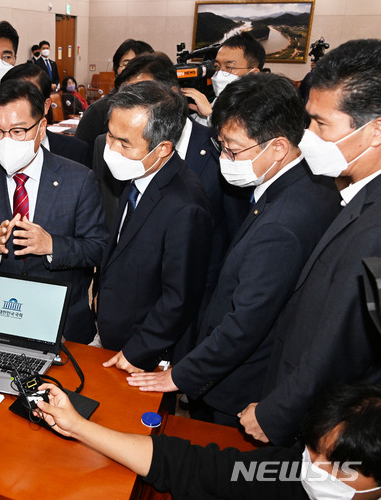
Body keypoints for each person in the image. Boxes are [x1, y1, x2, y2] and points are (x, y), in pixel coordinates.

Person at [130, 73, 341, 426]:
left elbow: (246, 323)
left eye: (233, 149)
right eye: (221, 145)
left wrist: (179, 375)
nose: (224, 157)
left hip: (242, 389)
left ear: (278, 146)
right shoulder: (305, 185)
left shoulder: (282, 224)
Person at [239, 38, 381, 446]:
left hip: (324, 423)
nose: (308, 136)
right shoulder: (357, 191)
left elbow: (339, 344)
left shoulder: (373, 231)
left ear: (374, 131)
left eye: (321, 124)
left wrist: (277, 410)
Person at [35, 382, 381, 500]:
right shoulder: (288, 474)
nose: (313, 469)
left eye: (337, 465)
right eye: (312, 451)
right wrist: (78, 426)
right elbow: (192, 466)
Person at [0, 80, 108, 344]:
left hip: (63, 324)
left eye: (18, 131)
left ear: (41, 128)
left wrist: (52, 245)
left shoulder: (78, 179)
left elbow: (97, 247)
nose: (6, 141)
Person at [97, 81, 212, 373]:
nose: (111, 149)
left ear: (162, 149)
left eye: (124, 143)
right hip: (115, 330)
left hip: (144, 352)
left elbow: (179, 299)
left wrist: (137, 352)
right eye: (110, 136)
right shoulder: (139, 172)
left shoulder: (186, 206)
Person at [1, 63, 92, 168]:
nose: (19, 106)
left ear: (46, 105)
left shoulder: (76, 151)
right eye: (11, 98)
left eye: (30, 98)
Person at [74, 39, 153, 148]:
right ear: (115, 70)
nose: (133, 69)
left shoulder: (159, 106)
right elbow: (80, 154)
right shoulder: (98, 110)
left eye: (141, 64)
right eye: (127, 64)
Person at [184, 32, 265, 127]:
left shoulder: (262, 108)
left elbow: (241, 135)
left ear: (253, 74)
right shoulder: (217, 100)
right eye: (216, 66)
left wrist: (211, 115)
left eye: (229, 67)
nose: (220, 73)